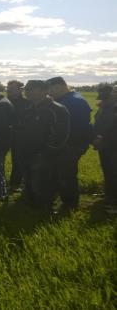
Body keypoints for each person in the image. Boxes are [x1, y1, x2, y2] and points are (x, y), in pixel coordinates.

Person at [15, 80, 69, 211]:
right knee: (28, 182)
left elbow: (61, 135)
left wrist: (46, 152)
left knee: (42, 183)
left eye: (31, 89)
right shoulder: (28, 108)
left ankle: (44, 210)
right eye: (26, 89)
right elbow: (21, 130)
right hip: (26, 153)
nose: (26, 92)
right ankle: (31, 207)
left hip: (44, 155)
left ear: (44, 91)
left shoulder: (57, 109)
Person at [47, 77, 94, 211]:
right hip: (67, 144)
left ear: (60, 87)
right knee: (60, 172)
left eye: (51, 89)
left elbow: (76, 128)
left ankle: (70, 204)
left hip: (72, 144)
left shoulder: (74, 102)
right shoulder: (68, 98)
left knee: (66, 173)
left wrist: (66, 144)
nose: (49, 93)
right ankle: (62, 199)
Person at [92, 85, 117, 214]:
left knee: (114, 173)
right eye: (113, 91)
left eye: (115, 92)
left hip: (113, 146)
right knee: (108, 171)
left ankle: (114, 203)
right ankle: (109, 196)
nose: (113, 94)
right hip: (105, 146)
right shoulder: (106, 106)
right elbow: (99, 122)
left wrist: (102, 138)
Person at [5, 80, 32, 191]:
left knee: (19, 161)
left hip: (21, 137)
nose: (9, 91)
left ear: (20, 90)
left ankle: (16, 184)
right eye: (8, 89)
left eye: (12, 89)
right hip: (5, 135)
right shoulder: (4, 102)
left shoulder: (28, 103)